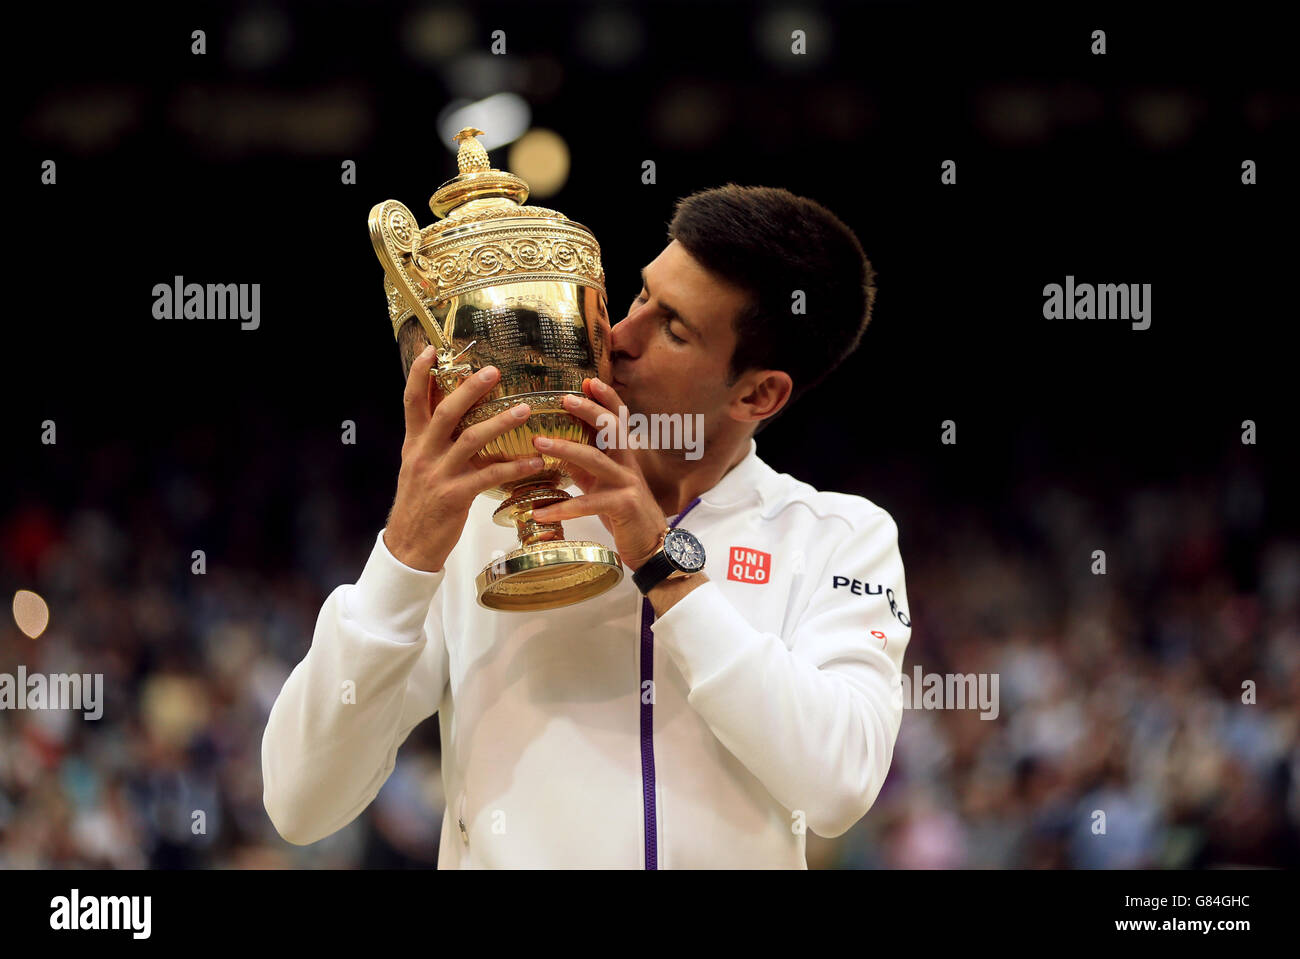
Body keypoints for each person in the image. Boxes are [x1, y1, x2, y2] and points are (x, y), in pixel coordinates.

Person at [261, 183, 912, 868]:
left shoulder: (839, 536)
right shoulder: (489, 512)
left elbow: (838, 783)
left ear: (758, 393)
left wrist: (662, 567)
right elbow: (301, 802)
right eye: (639, 297)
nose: (617, 336)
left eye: (674, 328)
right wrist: (404, 556)